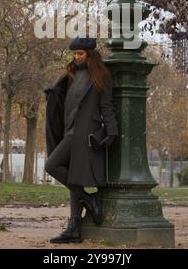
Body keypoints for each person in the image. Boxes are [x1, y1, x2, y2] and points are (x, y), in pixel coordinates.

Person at [44, 37, 118, 244]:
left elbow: (107, 107)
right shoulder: (71, 75)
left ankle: (88, 200)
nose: (76, 58)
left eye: (80, 54)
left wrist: (111, 132)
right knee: (72, 176)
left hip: (85, 133)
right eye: (74, 54)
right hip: (68, 131)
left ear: (90, 54)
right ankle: (75, 226)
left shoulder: (101, 76)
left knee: (51, 165)